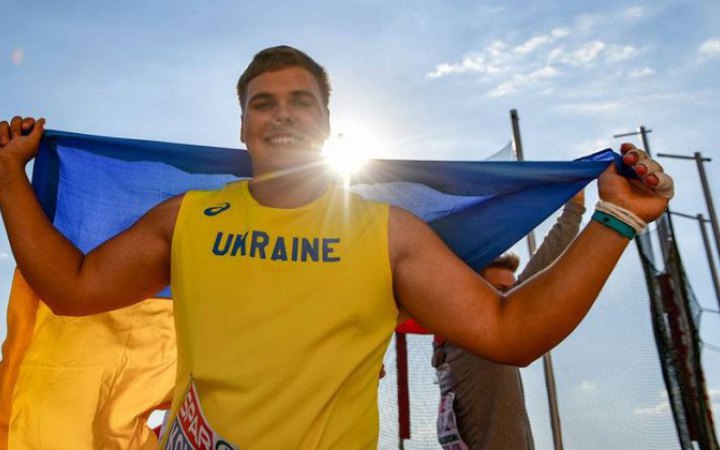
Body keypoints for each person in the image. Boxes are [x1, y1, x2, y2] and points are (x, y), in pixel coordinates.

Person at [0, 45, 673, 449]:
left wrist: (617, 218)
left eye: (302, 101)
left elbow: (509, 331)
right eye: (263, 102)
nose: (282, 113)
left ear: (327, 124)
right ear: (243, 126)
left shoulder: (386, 232)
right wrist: (8, 175)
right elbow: (73, 288)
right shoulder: (188, 218)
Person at [433, 193, 585, 450]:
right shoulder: (472, 336)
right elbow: (540, 277)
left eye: (512, 291)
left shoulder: (459, 341)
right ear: (471, 291)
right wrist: (574, 210)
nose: (511, 299)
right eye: (501, 291)